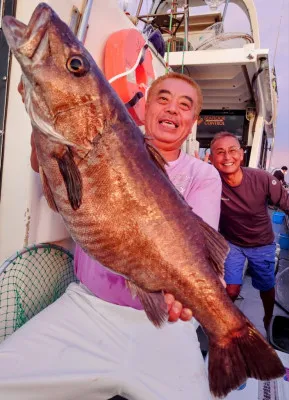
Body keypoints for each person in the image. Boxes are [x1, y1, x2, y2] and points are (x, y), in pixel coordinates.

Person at [0, 72, 222, 400]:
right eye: (163, 99)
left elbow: (199, 249)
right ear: (146, 107)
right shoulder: (104, 143)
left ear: (192, 122)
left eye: (184, 105)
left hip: (166, 326)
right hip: (88, 307)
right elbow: (45, 167)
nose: (173, 109)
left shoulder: (203, 175)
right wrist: (41, 124)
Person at [209, 131, 289, 331]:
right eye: (220, 152)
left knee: (265, 287)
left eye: (232, 150)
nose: (227, 157)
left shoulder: (262, 178)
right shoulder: (210, 182)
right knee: (232, 290)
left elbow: (286, 203)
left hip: (262, 244)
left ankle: (268, 319)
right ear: (210, 158)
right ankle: (227, 324)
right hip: (232, 243)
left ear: (242, 154)